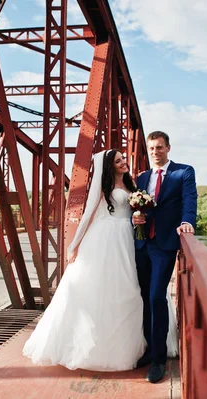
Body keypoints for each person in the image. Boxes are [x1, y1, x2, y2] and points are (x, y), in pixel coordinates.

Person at [23, 149, 178, 371]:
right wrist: (74, 245)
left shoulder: (132, 184)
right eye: (118, 161)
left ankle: (145, 344)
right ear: (109, 167)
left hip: (130, 237)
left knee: (134, 288)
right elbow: (87, 215)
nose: (123, 162)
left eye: (123, 158)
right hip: (108, 237)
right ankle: (105, 349)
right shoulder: (104, 188)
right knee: (108, 288)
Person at [133, 131, 197, 383]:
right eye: (151, 148)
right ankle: (149, 349)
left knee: (156, 296)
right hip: (141, 243)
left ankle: (158, 359)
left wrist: (187, 222)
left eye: (159, 147)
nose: (155, 152)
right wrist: (134, 218)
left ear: (168, 148)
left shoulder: (184, 172)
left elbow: (189, 200)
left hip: (164, 244)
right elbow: (135, 208)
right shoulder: (142, 178)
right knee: (144, 297)